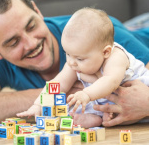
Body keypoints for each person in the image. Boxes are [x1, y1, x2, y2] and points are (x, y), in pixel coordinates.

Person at [0, 0, 149, 124]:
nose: (31, 43)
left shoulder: (99, 35)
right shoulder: (73, 57)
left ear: (38, 12)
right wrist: (40, 103)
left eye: (31, 26)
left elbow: (118, 82)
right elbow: (56, 85)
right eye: (13, 42)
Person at [17, 8, 149, 128]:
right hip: (108, 100)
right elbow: (57, 84)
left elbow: (110, 82)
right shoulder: (74, 61)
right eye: (67, 54)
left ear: (105, 52)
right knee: (72, 105)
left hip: (138, 95)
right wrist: (38, 104)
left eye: (79, 59)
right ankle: (96, 118)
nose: (71, 62)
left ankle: (101, 116)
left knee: (85, 97)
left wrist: (86, 94)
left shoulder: (116, 57)